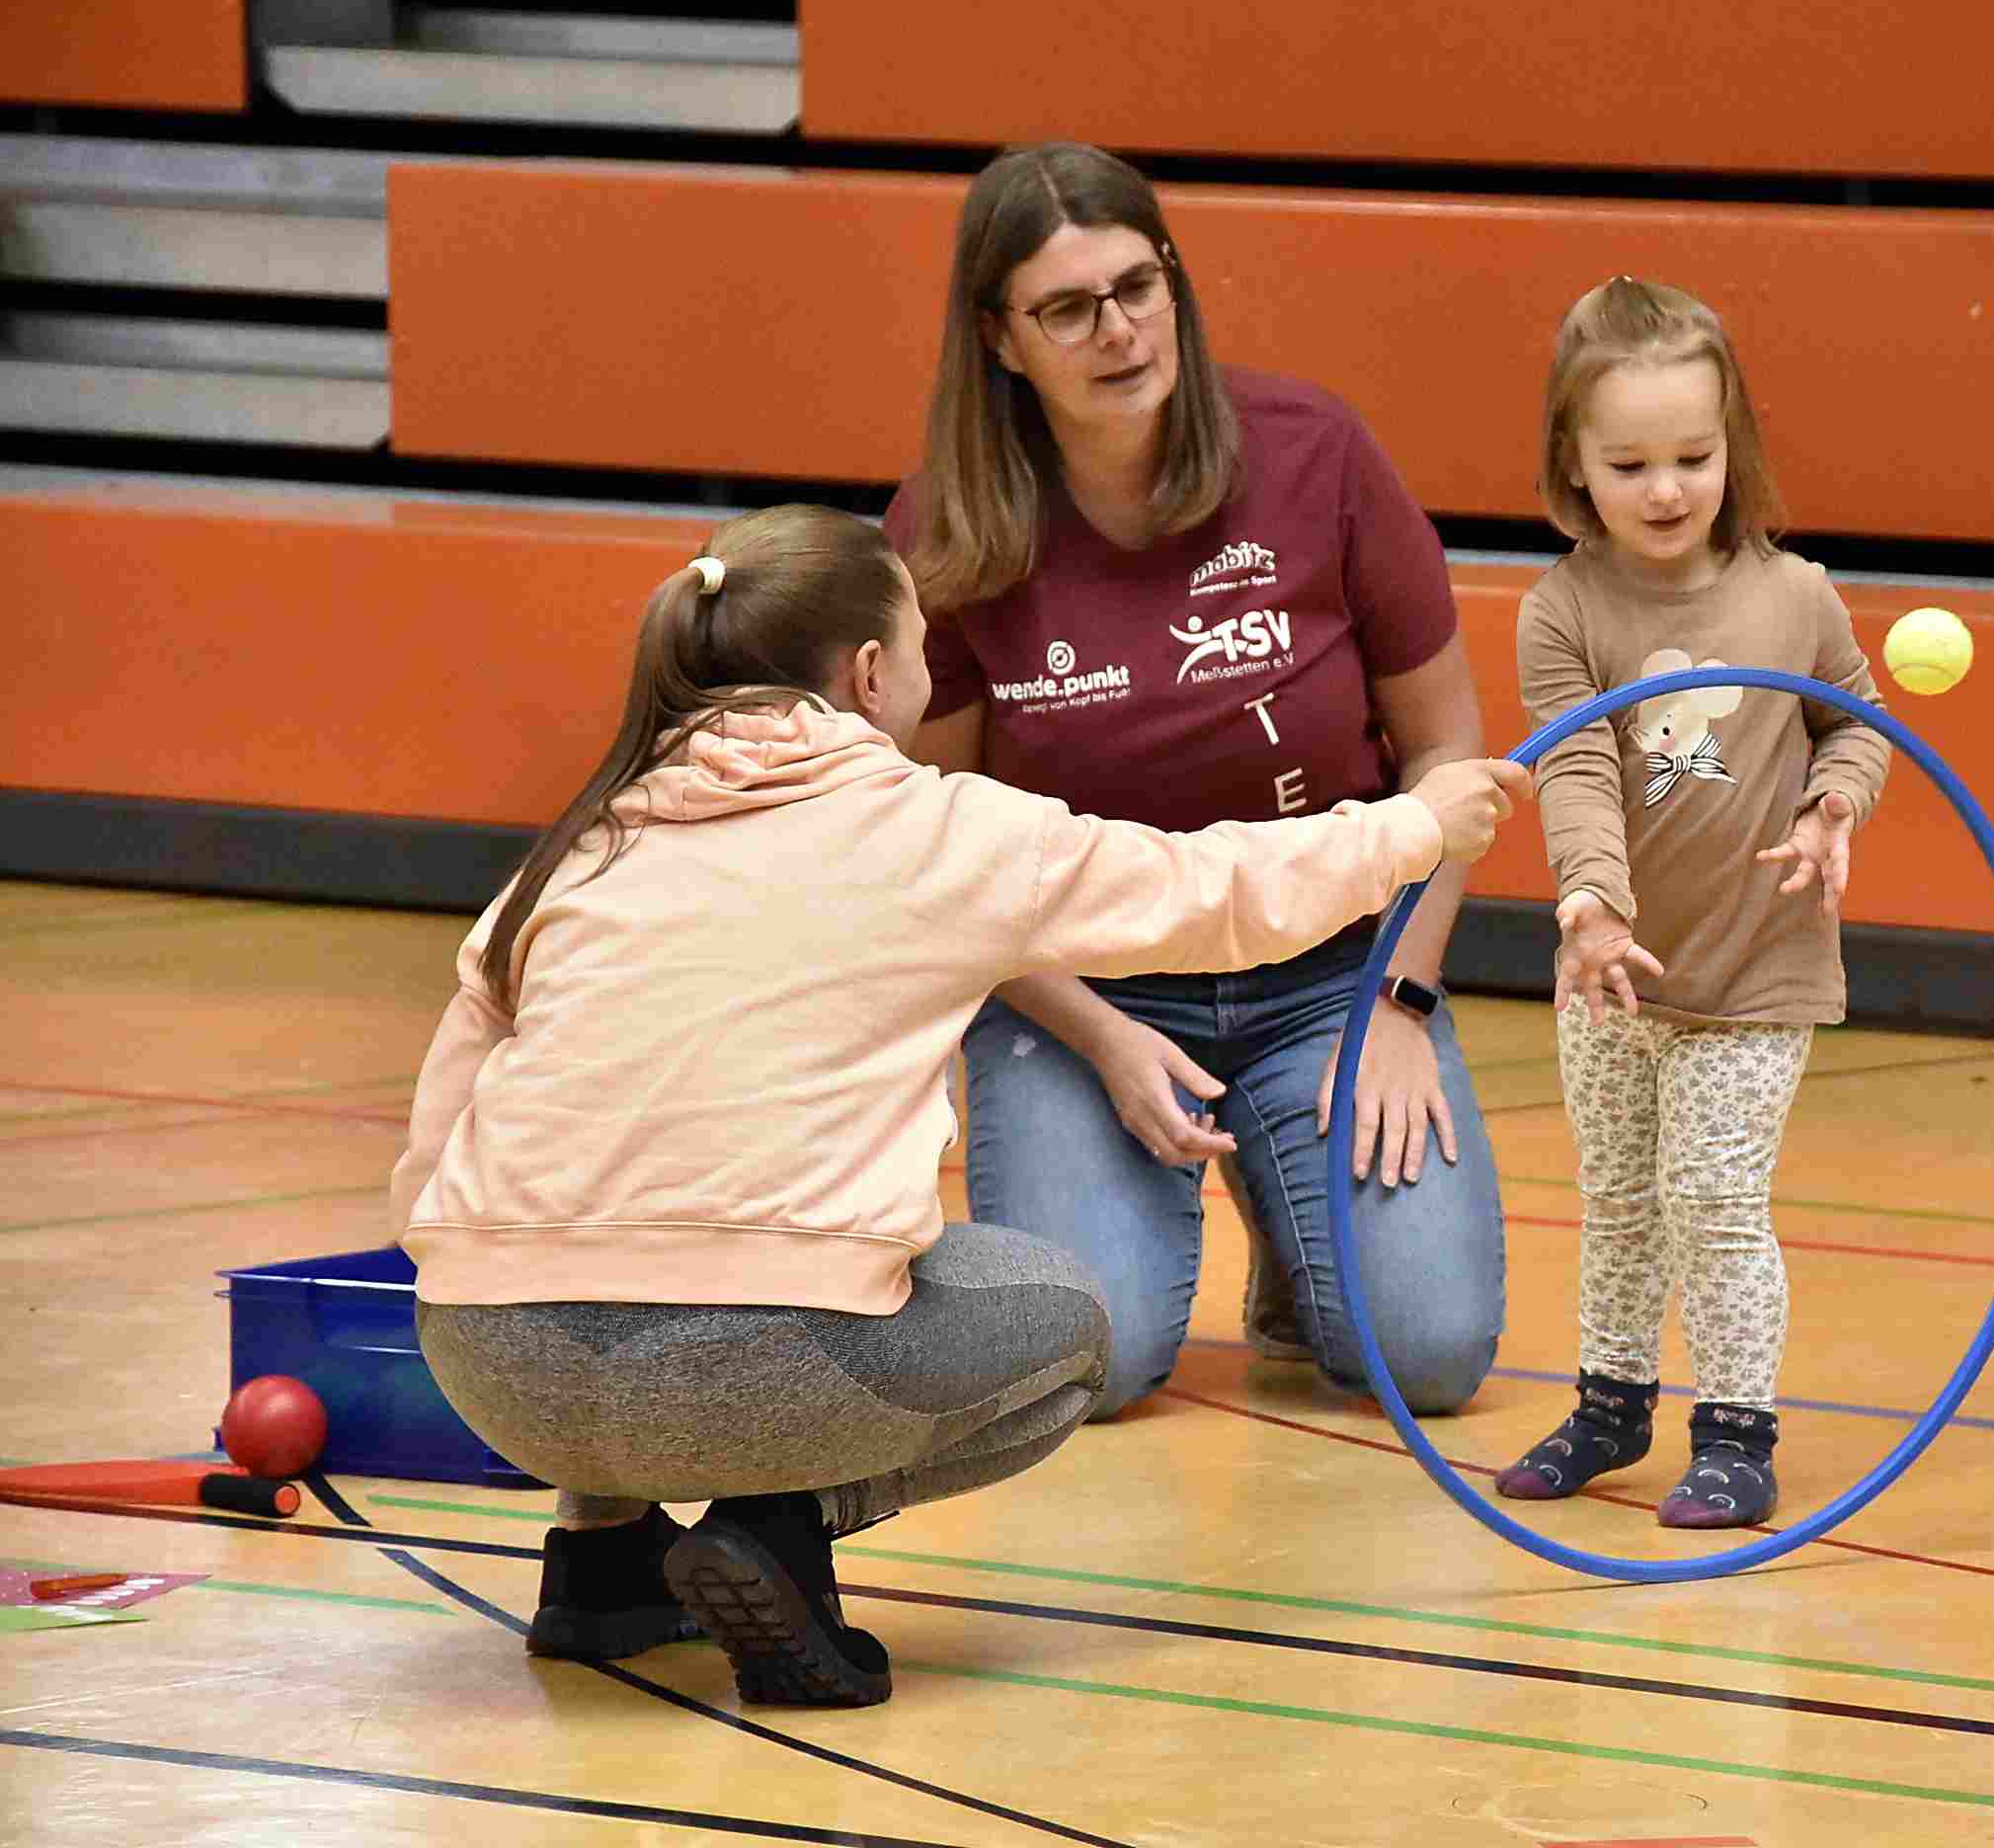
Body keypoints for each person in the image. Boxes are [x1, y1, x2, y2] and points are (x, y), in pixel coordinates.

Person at [390, 505, 1528, 1708]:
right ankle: (779, 1524)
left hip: (489, 1368)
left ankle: (600, 1562)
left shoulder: (579, 844)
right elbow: (1211, 892)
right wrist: (1415, 827)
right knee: (1067, 1323)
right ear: (870, 674)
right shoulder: (934, 828)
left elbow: (439, 1135)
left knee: (607, 1211)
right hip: (756, 1373)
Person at [884, 140, 1508, 1418]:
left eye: (1136, 286)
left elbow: (1449, 754)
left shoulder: (1316, 453)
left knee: (1432, 1354)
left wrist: (1400, 1001)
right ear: (1001, 339)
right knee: (1088, 1368)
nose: (1117, 330)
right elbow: (941, 853)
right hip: (1084, 987)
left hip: (1334, 969)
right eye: (1068, 308)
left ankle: (1293, 1229)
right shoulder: (945, 533)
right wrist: (1105, 1039)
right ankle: (1184, 1166)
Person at [1497, 278, 1890, 1529]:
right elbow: (1572, 764)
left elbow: (1859, 724)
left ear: (1735, 443)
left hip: (1756, 967)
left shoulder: (1796, 596)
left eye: (1693, 456)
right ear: (1572, 460)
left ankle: (1735, 1433)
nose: (1665, 489)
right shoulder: (1562, 610)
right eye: (1629, 464)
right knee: (1617, 1203)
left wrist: (1831, 806)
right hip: (1612, 969)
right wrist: (1591, 906)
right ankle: (1612, 1402)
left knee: (1714, 1203)